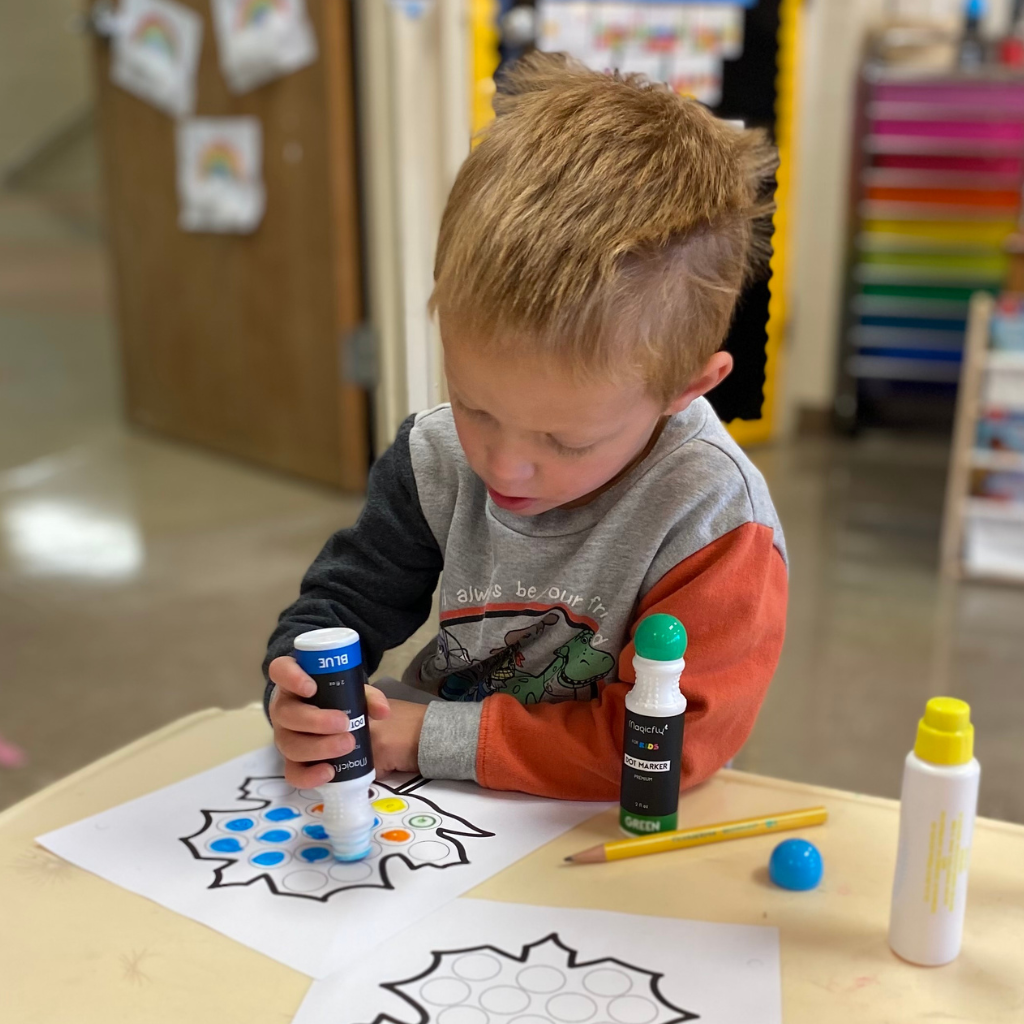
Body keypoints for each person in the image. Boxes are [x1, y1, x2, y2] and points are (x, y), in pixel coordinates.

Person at [263, 53, 787, 801]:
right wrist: (302, 690)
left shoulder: (714, 520)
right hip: (442, 803)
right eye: (474, 404)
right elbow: (344, 603)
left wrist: (429, 735)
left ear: (685, 389)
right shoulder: (436, 457)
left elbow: (668, 751)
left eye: (566, 441)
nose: (503, 465)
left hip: (614, 817)